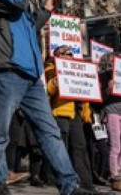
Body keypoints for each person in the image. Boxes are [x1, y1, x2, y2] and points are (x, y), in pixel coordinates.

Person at [0, 0, 97, 195]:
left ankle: (69, 185)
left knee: (49, 132)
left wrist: (44, 10)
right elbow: (15, 2)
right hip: (7, 70)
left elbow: (28, 28)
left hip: (31, 75)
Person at [46, 46, 96, 191]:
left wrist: (86, 113)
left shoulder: (77, 69)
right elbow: (47, 90)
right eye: (66, 54)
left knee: (80, 146)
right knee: (62, 147)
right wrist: (55, 82)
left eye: (71, 53)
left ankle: (86, 183)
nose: (69, 56)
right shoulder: (50, 68)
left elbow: (85, 92)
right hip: (59, 112)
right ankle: (60, 180)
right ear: (57, 55)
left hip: (74, 113)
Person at [99, 53, 121, 192]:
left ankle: (119, 171)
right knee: (115, 145)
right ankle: (115, 176)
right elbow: (101, 96)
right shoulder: (104, 75)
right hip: (112, 111)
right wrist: (108, 88)